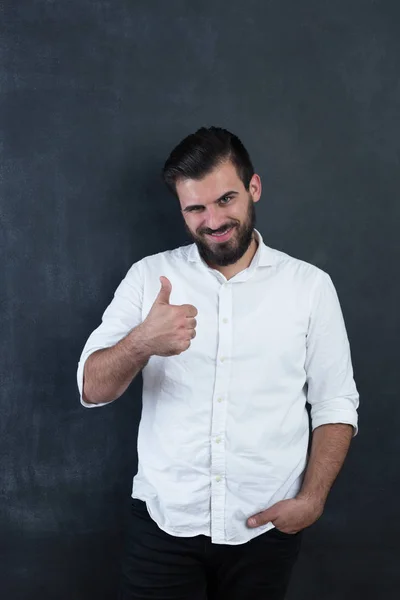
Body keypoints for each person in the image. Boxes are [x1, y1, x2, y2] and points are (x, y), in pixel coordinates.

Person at [77, 126, 359, 600]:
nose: (213, 220)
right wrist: (142, 341)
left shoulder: (309, 287)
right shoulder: (149, 277)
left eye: (225, 199)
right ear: (181, 210)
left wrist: (311, 501)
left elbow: (335, 402)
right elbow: (92, 388)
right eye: (195, 208)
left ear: (254, 188)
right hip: (164, 527)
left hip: (265, 530)